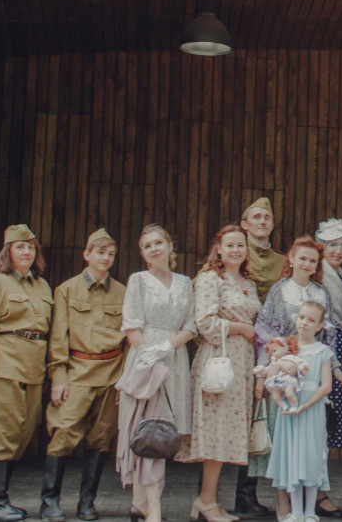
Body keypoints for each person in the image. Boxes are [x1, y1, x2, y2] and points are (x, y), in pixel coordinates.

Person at [0, 224, 54, 522]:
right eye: (20, 247)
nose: (26, 252)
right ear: (8, 252)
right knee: (4, 432)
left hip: (33, 369)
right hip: (4, 366)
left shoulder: (42, 286)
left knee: (22, 434)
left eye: (31, 247)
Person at [41, 228, 128, 522]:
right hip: (77, 371)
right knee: (63, 432)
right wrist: (59, 377)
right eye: (100, 252)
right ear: (86, 254)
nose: (106, 258)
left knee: (101, 438)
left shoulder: (123, 292)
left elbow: (129, 339)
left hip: (112, 372)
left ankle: (87, 503)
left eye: (111, 254)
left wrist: (124, 380)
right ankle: (49, 502)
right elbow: (58, 338)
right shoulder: (67, 290)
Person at [116, 224, 197, 522]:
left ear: (169, 246)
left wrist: (167, 347)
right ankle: (153, 509)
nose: (154, 249)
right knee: (148, 431)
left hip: (174, 359)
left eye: (158, 243)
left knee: (162, 433)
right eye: (147, 245)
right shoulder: (138, 280)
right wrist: (148, 356)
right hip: (146, 362)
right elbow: (132, 326)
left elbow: (191, 326)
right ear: (142, 252)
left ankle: (140, 503)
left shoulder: (185, 282)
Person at [253, 236, 332, 518]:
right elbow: (264, 330)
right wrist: (267, 369)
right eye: (302, 258)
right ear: (291, 259)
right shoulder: (280, 290)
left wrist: (331, 369)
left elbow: (330, 334)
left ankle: (309, 501)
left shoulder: (322, 293)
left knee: (309, 443)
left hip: (312, 372)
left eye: (312, 260)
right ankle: (283, 501)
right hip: (283, 371)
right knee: (283, 438)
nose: (307, 264)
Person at [186, 225, 261, 522]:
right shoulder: (209, 278)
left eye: (240, 245)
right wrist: (241, 328)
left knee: (227, 432)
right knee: (215, 431)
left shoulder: (248, 282)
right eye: (230, 245)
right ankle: (206, 500)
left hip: (243, 362)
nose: (235, 250)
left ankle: (210, 501)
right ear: (219, 248)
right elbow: (204, 323)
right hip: (220, 359)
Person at [266, 301, 337, 522]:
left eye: (311, 320)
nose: (304, 322)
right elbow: (272, 375)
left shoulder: (322, 351)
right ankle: (296, 512)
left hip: (311, 409)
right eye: (302, 317)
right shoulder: (285, 348)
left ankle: (310, 512)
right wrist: (279, 370)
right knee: (293, 456)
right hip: (289, 409)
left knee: (311, 456)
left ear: (319, 326)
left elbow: (326, 386)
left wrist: (305, 406)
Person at [239, 197, 285, 517]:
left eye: (266, 217)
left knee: (259, 417)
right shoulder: (234, 252)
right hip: (239, 343)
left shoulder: (283, 261)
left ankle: (246, 494)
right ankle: (207, 494)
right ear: (244, 224)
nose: (261, 222)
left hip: (269, 347)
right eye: (255, 217)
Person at [316, 219, 342, 519]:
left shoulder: (340, 275)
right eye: (331, 245)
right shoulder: (320, 275)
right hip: (324, 348)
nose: (338, 250)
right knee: (321, 427)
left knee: (329, 428)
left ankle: (319, 490)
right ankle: (316, 492)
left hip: (339, 347)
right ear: (321, 247)